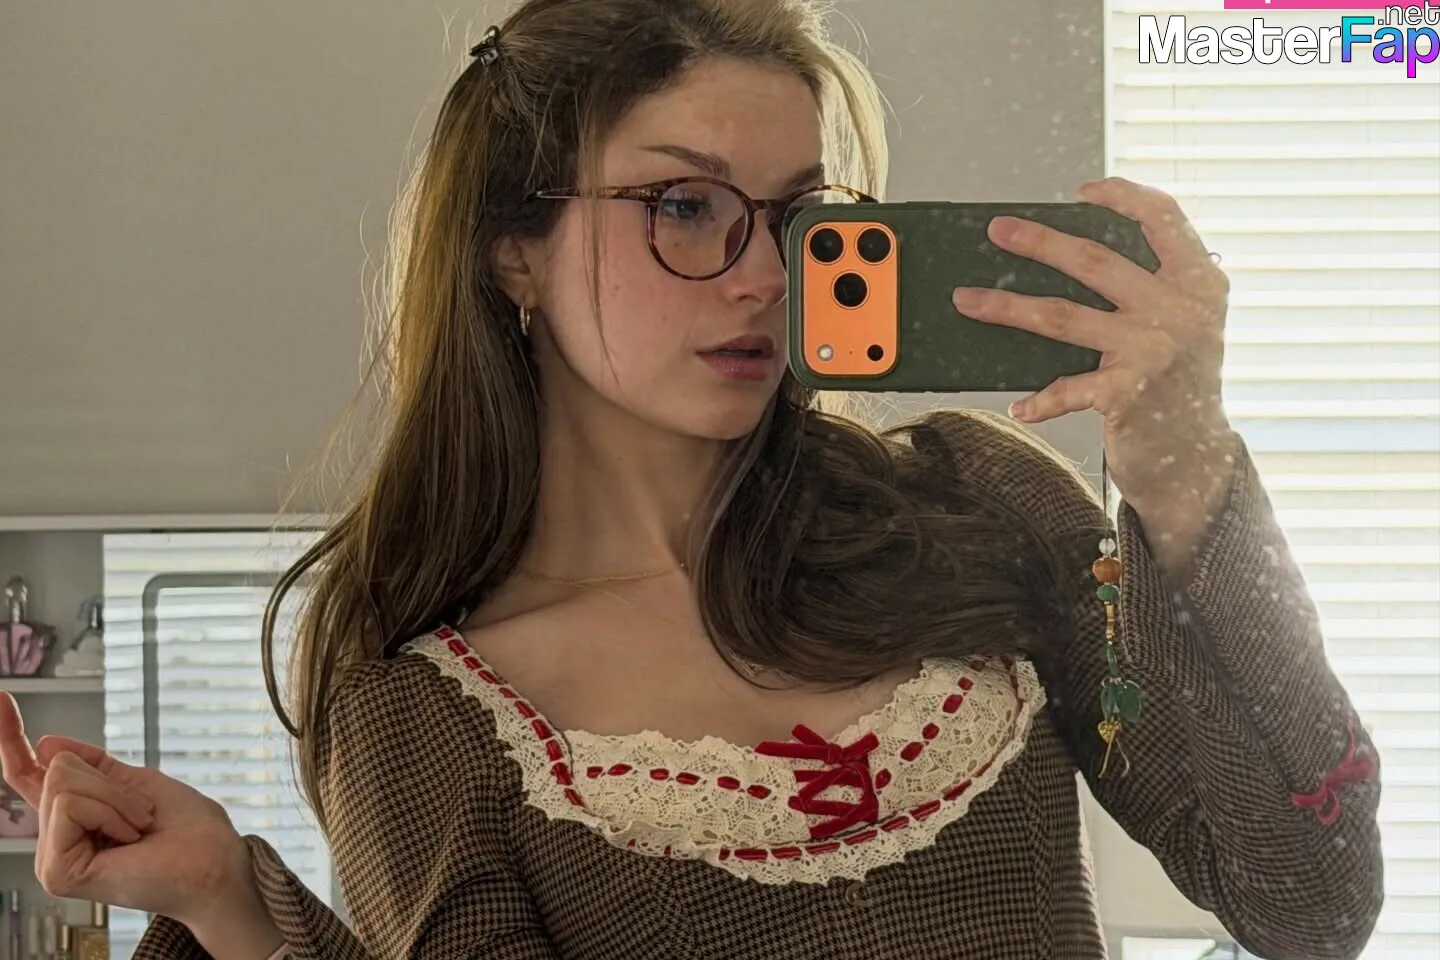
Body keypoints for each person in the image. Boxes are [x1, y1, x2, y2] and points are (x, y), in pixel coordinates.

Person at [0, 1, 1384, 957]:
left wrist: (1184, 468)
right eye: (684, 206)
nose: (765, 276)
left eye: (803, 216)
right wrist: (234, 905)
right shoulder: (425, 712)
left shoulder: (981, 505)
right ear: (513, 248)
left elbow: (1310, 899)